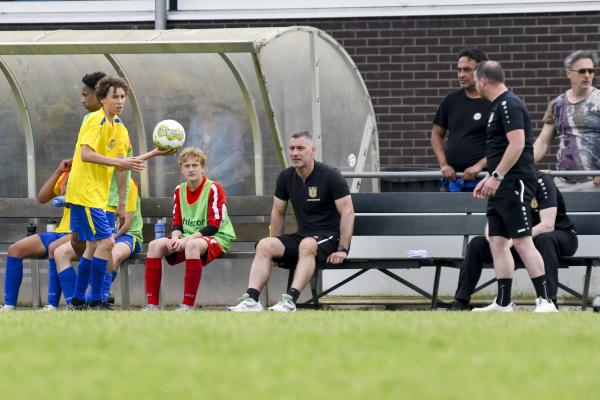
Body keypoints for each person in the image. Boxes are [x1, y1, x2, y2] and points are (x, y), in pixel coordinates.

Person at [229, 129, 355, 312]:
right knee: (265, 245)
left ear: (313, 151)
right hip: (303, 236)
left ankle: (289, 301)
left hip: (329, 237)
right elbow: (277, 212)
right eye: (292, 148)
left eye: (300, 148)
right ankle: (251, 300)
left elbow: (348, 212)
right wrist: (276, 245)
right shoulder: (286, 177)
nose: (295, 153)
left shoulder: (330, 175)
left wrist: (343, 249)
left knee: (307, 245)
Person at [472, 60, 557, 312]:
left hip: (514, 183)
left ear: (483, 80)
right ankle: (502, 302)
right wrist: (490, 178)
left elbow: (518, 144)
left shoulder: (510, 104)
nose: (475, 83)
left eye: (476, 79)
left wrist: (496, 176)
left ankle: (545, 301)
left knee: (522, 241)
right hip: (500, 185)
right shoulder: (498, 106)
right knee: (497, 242)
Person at [65, 75, 145, 310]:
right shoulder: (93, 120)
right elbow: (86, 154)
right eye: (115, 97)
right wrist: (118, 163)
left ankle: (78, 299)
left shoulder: (119, 127)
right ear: (102, 99)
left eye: (123, 97)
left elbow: (122, 166)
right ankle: (97, 298)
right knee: (107, 242)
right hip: (85, 192)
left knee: (92, 246)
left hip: (101, 197)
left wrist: (121, 202)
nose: (120, 102)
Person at [449, 171, 578, 310]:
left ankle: (548, 301)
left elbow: (548, 225)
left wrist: (513, 238)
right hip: (518, 241)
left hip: (557, 235)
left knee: (545, 240)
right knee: (477, 244)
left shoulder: (542, 180)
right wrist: (496, 239)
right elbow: (492, 226)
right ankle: (460, 301)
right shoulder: (501, 183)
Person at [143, 147, 236, 311]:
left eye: (195, 165)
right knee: (154, 245)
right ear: (181, 169)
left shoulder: (214, 188)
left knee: (192, 246)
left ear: (203, 167)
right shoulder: (179, 190)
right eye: (187, 166)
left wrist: (186, 240)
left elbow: (214, 226)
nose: (191, 169)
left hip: (217, 237)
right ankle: (151, 305)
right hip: (189, 237)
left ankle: (187, 306)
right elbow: (177, 223)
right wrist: (175, 237)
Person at [53, 177, 143, 308]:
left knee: (112, 251)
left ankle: (97, 296)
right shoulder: (96, 181)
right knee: (60, 252)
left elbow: (127, 224)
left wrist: (110, 237)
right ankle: (74, 302)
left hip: (127, 235)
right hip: (101, 234)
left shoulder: (128, 185)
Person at [0, 159, 73, 311]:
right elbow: (42, 198)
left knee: (54, 248)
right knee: (15, 249)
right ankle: (9, 305)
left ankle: (52, 305)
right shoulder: (69, 174)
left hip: (77, 232)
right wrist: (59, 171)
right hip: (59, 232)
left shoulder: (93, 173)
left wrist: (68, 199)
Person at [533, 50, 600, 192]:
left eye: (591, 71)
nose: (587, 75)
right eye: (582, 71)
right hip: (563, 180)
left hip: (595, 181)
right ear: (569, 73)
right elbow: (543, 141)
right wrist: (523, 164)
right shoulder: (556, 104)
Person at [431, 48, 491, 191]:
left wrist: (478, 166)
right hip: (454, 181)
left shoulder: (494, 102)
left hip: (486, 181)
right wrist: (444, 165)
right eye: (459, 70)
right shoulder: (451, 100)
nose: (461, 75)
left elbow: (505, 144)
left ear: (482, 72)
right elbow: (436, 134)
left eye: (466, 70)